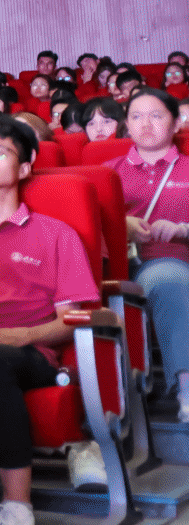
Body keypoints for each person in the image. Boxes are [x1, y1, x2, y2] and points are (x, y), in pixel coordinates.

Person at [0, 116, 99, 525]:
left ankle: (18, 512)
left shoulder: (55, 234)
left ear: (26, 166)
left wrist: (22, 335)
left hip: (32, 352)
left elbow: (72, 318)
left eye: (0, 152)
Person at [111, 89, 189, 422]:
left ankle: (186, 389)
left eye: (156, 116)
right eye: (136, 116)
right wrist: (120, 224)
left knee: (167, 280)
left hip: (166, 259)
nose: (145, 124)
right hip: (113, 264)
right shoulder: (107, 172)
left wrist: (182, 228)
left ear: (176, 123)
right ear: (127, 124)